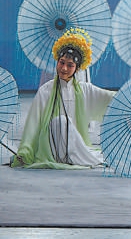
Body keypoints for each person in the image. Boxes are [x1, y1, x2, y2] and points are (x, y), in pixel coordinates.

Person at [11, 28, 115, 169]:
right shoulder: (46, 90)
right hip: (52, 148)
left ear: (77, 68)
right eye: (61, 62)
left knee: (64, 122)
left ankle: (82, 156)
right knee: (60, 121)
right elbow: (33, 124)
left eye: (70, 65)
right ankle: (86, 158)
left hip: (75, 146)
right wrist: (26, 151)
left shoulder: (84, 89)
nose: (64, 68)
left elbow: (109, 98)